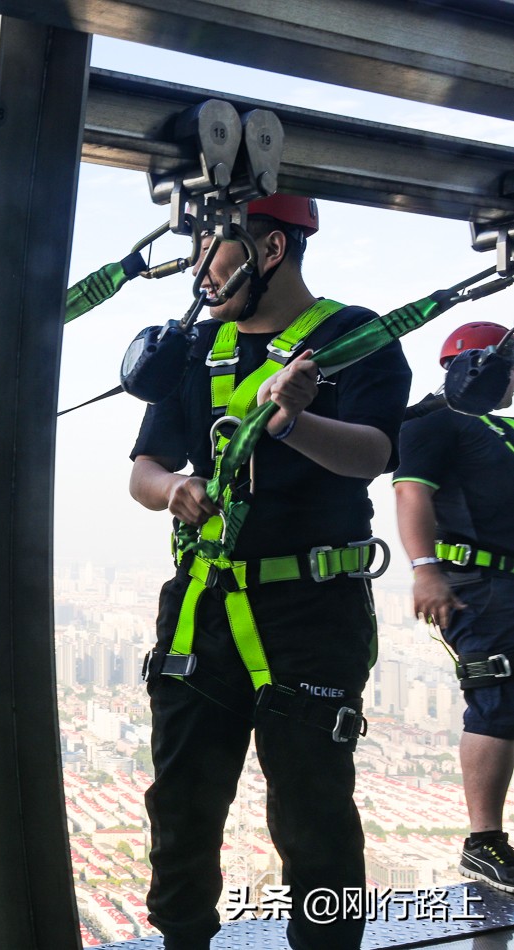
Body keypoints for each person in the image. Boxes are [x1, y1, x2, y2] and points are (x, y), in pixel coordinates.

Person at [128, 194, 412, 950]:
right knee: (182, 806)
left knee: (313, 812)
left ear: (269, 250)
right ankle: (181, 940)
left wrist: (293, 419)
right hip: (203, 605)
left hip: (311, 611)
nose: (198, 273)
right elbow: (145, 470)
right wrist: (172, 489)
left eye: (207, 253)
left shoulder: (358, 339)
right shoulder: (196, 348)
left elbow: (373, 456)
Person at [393, 321, 514, 891]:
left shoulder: (496, 428)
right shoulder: (435, 421)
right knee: (498, 692)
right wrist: (424, 570)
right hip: (480, 583)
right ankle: (484, 843)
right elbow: (411, 490)